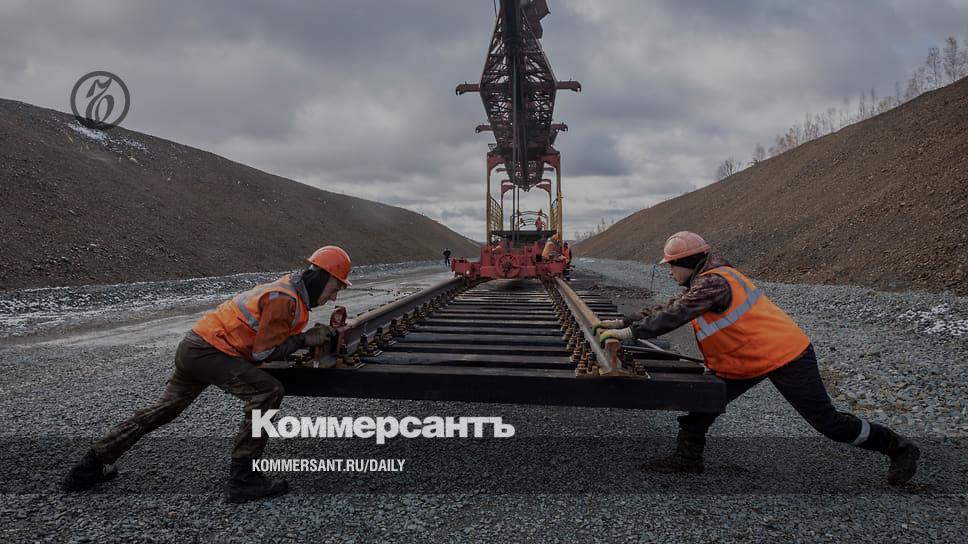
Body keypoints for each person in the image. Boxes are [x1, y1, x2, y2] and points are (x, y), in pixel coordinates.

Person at [593, 231, 920, 485]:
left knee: (829, 423)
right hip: (747, 359)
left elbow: (675, 314)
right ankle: (687, 460)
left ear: (688, 262)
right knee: (703, 404)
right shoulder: (707, 280)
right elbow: (668, 307)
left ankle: (898, 447)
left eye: (671, 265)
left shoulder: (713, 283)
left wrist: (630, 334)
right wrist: (621, 323)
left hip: (786, 356)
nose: (669, 272)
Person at [62, 246, 353, 502]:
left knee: (163, 410)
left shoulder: (287, 290)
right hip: (210, 352)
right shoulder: (285, 298)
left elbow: (263, 343)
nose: (333, 296)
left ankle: (88, 467)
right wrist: (304, 340)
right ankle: (243, 480)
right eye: (335, 287)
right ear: (320, 277)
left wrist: (300, 341)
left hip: (195, 346)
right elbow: (264, 354)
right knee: (267, 391)